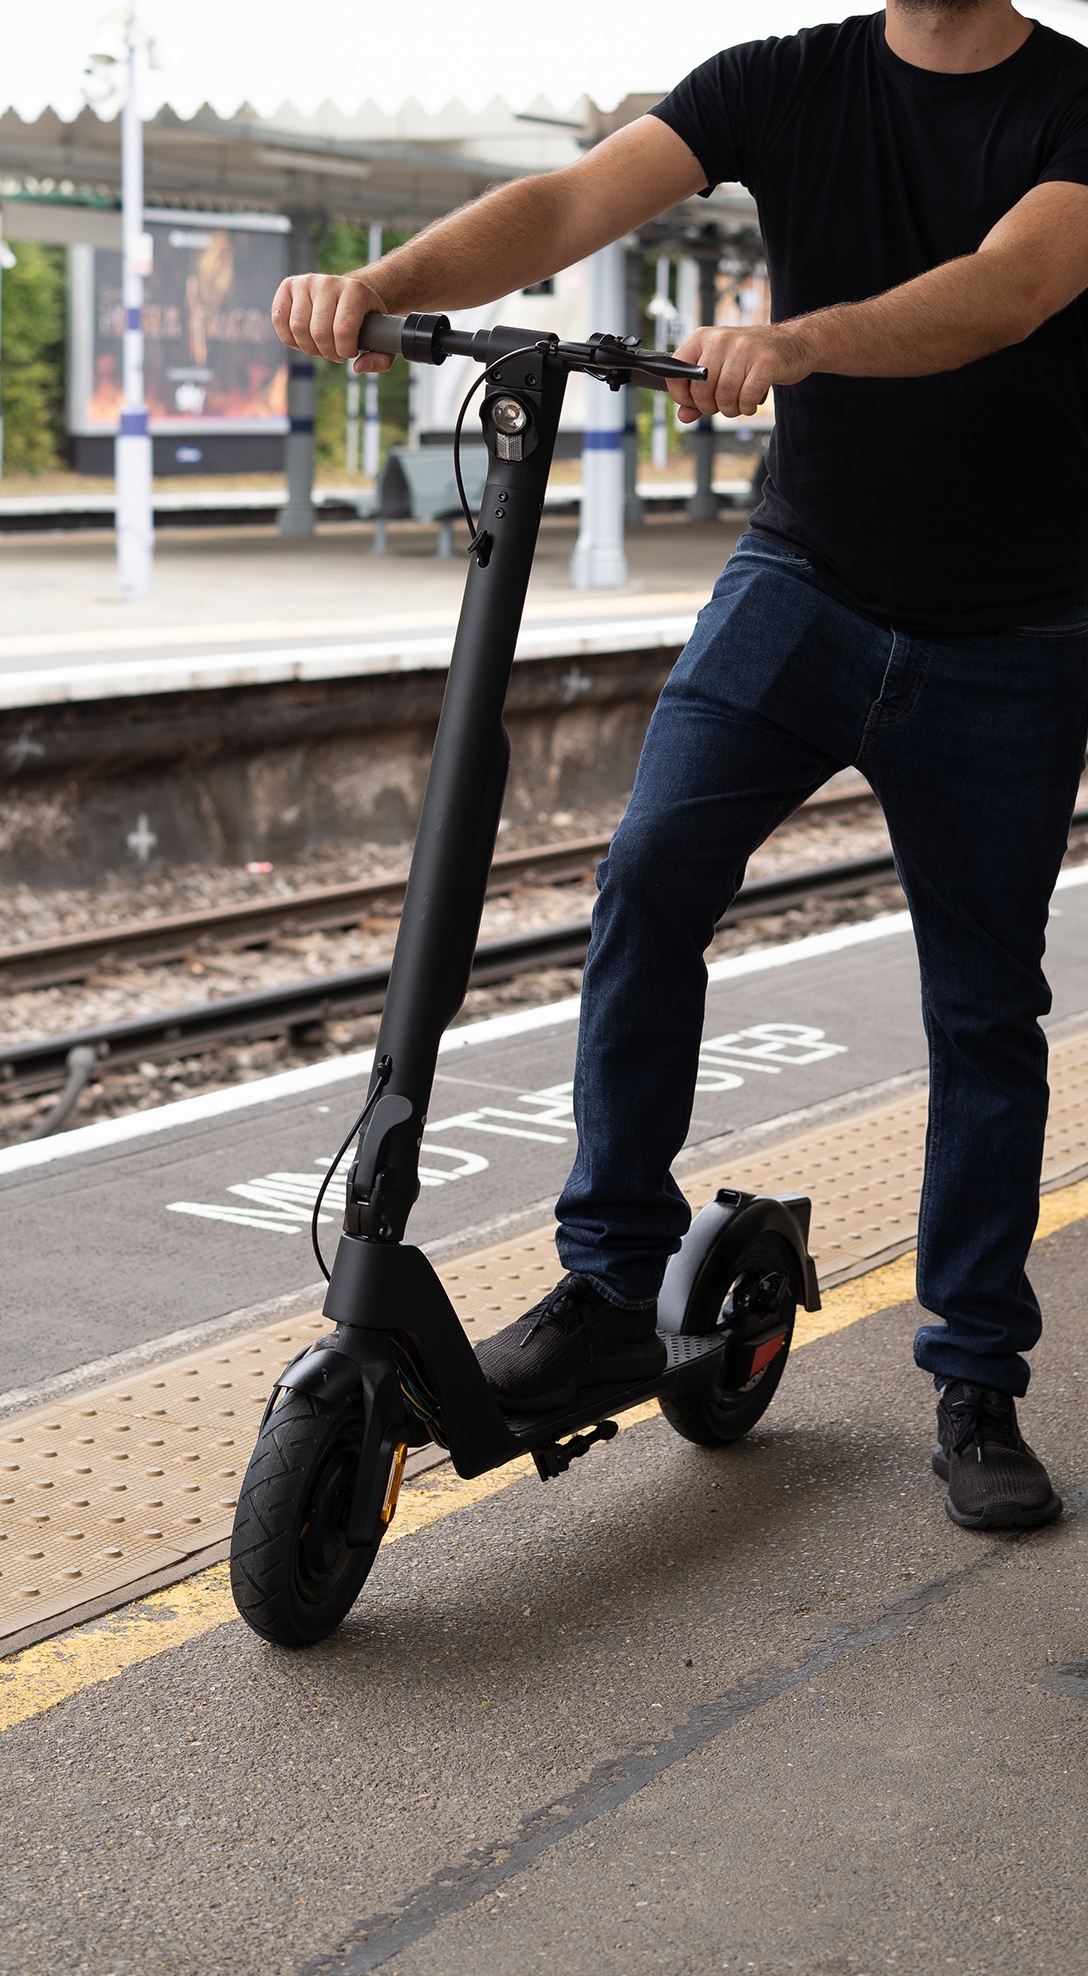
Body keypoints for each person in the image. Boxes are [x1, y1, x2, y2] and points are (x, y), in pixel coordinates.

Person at [273, 0, 1088, 1533]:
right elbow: (567, 203)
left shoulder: (1070, 105)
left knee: (985, 1011)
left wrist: (795, 341)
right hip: (806, 586)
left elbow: (1012, 287)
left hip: (1014, 631)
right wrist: (380, 286)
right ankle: (608, 1287)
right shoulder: (785, 81)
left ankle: (977, 1382)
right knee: (648, 880)